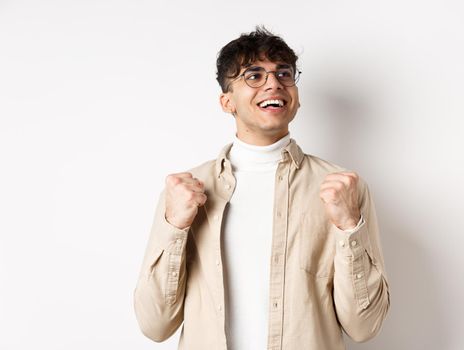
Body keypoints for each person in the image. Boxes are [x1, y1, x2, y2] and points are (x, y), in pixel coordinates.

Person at [134, 26, 390, 350]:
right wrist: (175, 225)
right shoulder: (186, 191)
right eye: (254, 75)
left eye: (284, 73)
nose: (274, 83)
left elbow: (364, 327)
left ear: (295, 96)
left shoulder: (343, 188)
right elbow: (154, 325)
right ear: (227, 101)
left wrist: (349, 225)